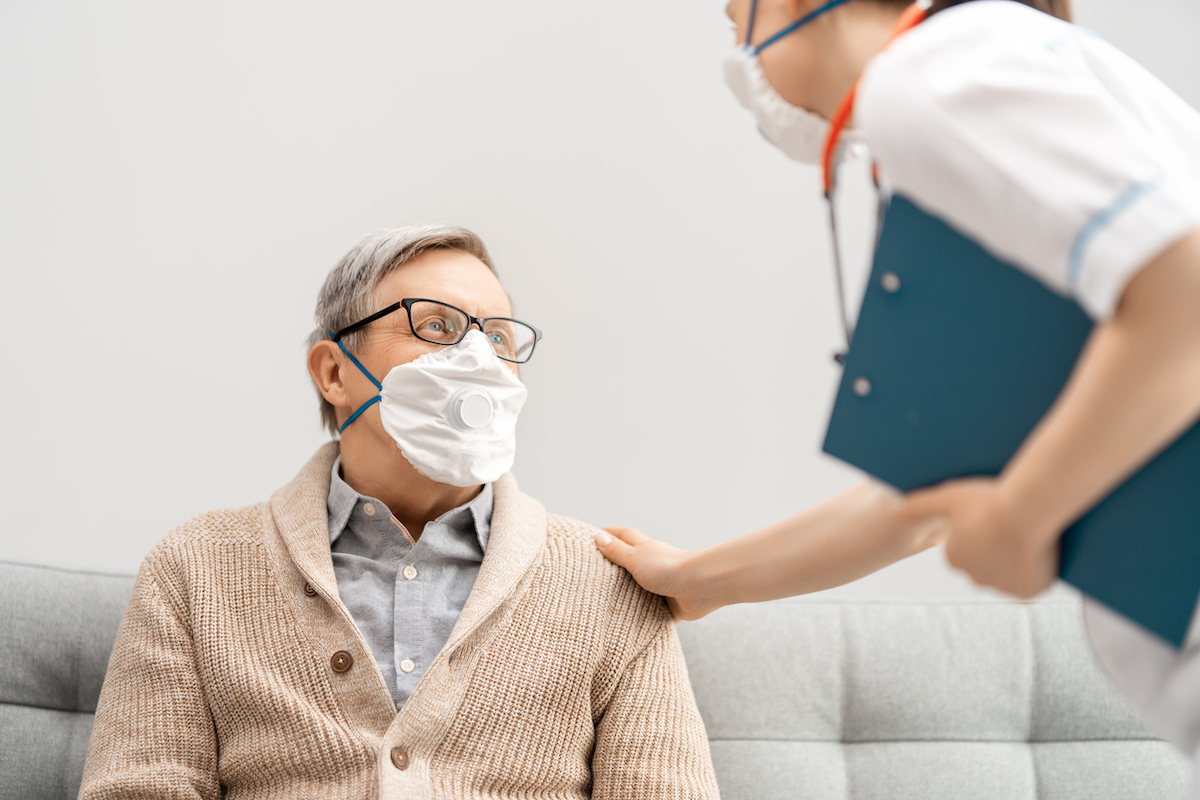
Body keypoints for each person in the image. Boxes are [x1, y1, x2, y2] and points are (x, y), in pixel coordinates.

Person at [595, 0, 1200, 780]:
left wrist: (1022, 516)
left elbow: (1185, 283)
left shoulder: (925, 75)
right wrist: (698, 580)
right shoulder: (987, 84)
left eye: (731, 20)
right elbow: (927, 498)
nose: (739, 51)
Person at [81, 225, 719, 799]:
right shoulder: (195, 568)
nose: (477, 361)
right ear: (334, 372)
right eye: (436, 326)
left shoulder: (609, 583)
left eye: (497, 337)